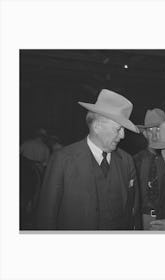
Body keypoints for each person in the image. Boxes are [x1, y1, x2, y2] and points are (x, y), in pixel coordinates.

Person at [36, 89, 140, 230]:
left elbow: (133, 212)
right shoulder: (63, 160)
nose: (122, 136)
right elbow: (46, 218)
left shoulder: (127, 161)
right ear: (97, 127)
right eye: (118, 129)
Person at [134, 108, 165, 229]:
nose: (154, 135)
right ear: (144, 133)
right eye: (150, 130)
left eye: (158, 129)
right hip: (142, 219)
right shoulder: (135, 161)